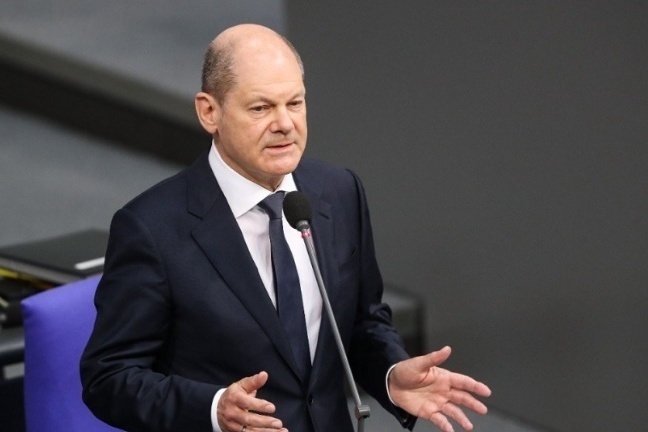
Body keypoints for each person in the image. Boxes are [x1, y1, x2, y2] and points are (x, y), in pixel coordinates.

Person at [80, 23, 491, 432]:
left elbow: (362, 322)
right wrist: (213, 409)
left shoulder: (339, 193)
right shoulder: (152, 227)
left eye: (295, 103)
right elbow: (109, 378)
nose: (285, 124)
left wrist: (390, 373)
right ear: (209, 112)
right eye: (261, 108)